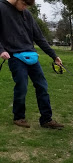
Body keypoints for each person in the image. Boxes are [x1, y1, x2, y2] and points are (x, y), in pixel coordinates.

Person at [0, 0, 64, 129]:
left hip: (32, 56)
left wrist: (54, 55)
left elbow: (39, 37)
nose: (25, 8)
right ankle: (19, 117)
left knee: (42, 86)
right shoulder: (1, 8)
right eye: (24, 4)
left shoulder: (26, 14)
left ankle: (46, 119)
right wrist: (1, 50)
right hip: (15, 56)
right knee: (22, 86)